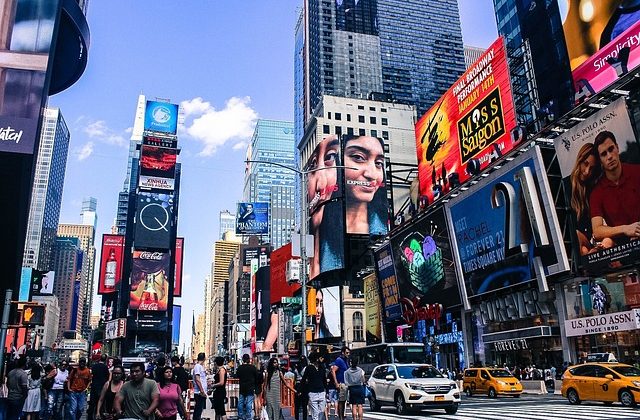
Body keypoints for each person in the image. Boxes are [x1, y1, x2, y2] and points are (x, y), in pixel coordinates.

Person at [590, 131, 640, 242]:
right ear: (600, 161)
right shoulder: (597, 192)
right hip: (623, 252)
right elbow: (597, 231)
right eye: (604, 154)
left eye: (611, 149)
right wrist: (625, 229)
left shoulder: (637, 171)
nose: (609, 156)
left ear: (617, 148)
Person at [306, 135, 344, 279]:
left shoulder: (335, 258)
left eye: (330, 157)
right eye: (314, 164)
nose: (320, 184)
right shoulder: (309, 255)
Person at [570, 142, 614, 255]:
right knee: (578, 241)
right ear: (579, 161)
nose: (587, 171)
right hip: (580, 242)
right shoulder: (566, 186)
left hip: (597, 239)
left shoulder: (593, 189)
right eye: (585, 164)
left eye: (592, 168)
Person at [343, 134, 387, 235]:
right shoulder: (322, 227)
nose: (372, 175)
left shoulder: (382, 228)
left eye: (378, 163)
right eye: (358, 157)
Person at [300, 352, 325, 420]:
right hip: (312, 392)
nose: (322, 359)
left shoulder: (322, 367)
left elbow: (324, 380)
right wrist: (300, 390)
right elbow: (303, 379)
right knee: (315, 413)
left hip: (322, 392)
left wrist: (327, 391)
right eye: (320, 358)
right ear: (316, 359)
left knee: (321, 411)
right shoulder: (309, 368)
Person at [236, 354, 259, 420]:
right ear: (249, 359)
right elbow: (256, 376)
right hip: (250, 387)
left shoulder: (240, 367)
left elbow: (237, 375)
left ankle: (240, 415)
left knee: (240, 402)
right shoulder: (252, 367)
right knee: (249, 403)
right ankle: (248, 416)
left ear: (243, 359)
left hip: (242, 387)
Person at [330, 347, 350, 420]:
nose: (348, 354)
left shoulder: (346, 361)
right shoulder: (339, 360)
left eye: (349, 352)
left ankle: (342, 417)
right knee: (341, 401)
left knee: (343, 401)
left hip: (345, 383)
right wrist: (336, 383)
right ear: (343, 352)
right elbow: (333, 370)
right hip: (341, 383)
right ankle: (341, 418)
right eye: (347, 352)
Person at [88, 355, 110, 420]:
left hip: (94, 386)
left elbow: (91, 375)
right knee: (101, 403)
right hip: (102, 387)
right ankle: (99, 416)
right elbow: (107, 377)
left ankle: (90, 417)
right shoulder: (105, 367)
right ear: (106, 360)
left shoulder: (94, 366)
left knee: (92, 404)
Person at [191, 352, 208, 420]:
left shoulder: (200, 367)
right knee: (198, 411)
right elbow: (197, 379)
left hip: (200, 392)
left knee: (199, 411)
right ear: (204, 359)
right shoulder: (198, 366)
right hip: (199, 393)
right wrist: (202, 391)